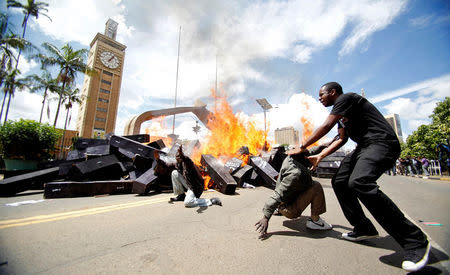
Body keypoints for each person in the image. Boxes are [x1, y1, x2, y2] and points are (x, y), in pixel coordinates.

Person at [288, 82, 430, 272]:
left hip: (382, 142)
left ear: (333, 92)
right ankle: (364, 228)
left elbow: (327, 125)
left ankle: (416, 241)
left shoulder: (347, 99)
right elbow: (341, 138)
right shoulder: (343, 116)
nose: (320, 98)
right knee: (339, 181)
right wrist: (321, 155)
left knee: (359, 182)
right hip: (363, 147)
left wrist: (303, 145)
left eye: (322, 94)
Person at [255, 148, 332, 239]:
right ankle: (315, 221)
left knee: (295, 188)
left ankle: (279, 208)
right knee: (316, 186)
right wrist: (266, 218)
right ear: (303, 156)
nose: (309, 156)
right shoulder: (296, 173)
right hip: (289, 210)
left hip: (284, 201)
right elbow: (277, 195)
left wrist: (327, 145)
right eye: (306, 155)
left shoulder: (290, 158)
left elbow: (311, 151)